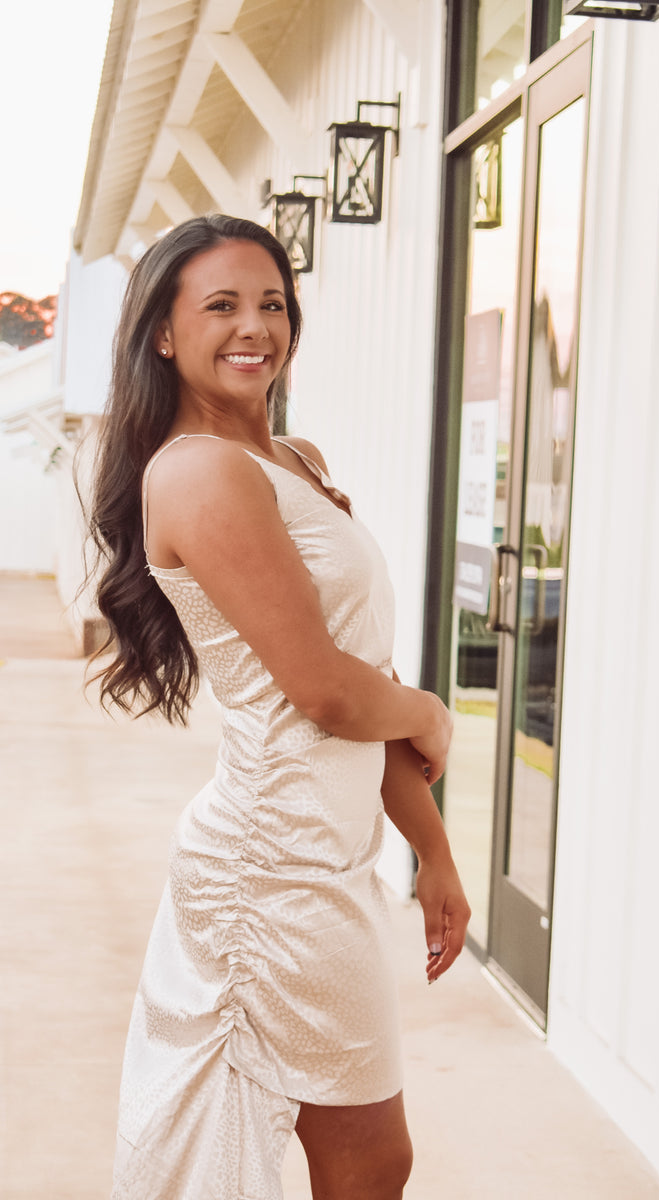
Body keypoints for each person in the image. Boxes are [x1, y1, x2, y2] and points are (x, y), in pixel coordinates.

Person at [87, 214, 470, 1200]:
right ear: (163, 334)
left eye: (272, 303)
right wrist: (429, 713)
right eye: (220, 305)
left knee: (350, 1154)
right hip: (270, 874)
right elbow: (333, 695)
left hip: (317, 864)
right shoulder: (196, 472)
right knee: (362, 1157)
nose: (254, 325)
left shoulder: (293, 460)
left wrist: (429, 849)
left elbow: (357, 674)